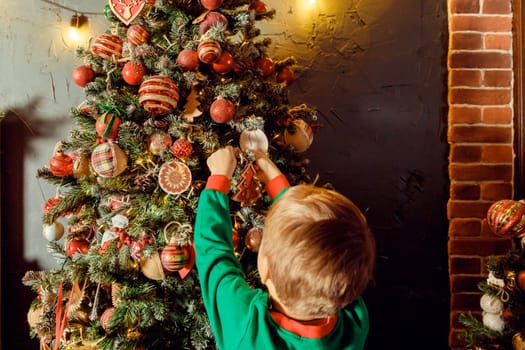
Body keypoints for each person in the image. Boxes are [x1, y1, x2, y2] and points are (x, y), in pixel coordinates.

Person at [194, 146, 376, 350]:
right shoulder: (355, 321)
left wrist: (219, 179)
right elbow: (321, 242)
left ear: (266, 268)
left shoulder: (247, 327)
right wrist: (276, 181)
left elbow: (214, 255)